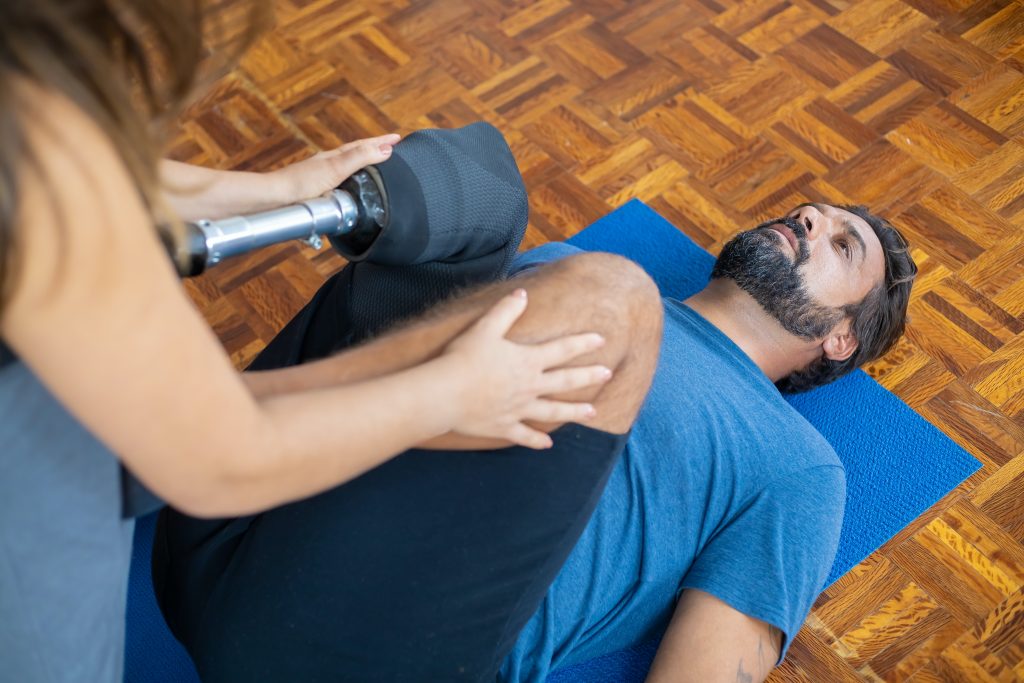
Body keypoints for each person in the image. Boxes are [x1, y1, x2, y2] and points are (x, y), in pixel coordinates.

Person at [0, 3, 625, 681]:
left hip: (110, 459)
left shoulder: (34, 132)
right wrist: (456, 392)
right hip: (58, 537)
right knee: (613, 297)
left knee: (476, 188)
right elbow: (221, 459)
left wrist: (272, 191)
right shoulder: (38, 179)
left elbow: (76, 159)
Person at [154, 198, 917, 682]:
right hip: (242, 535)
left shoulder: (800, 466)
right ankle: (229, 432)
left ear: (842, 338)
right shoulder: (564, 270)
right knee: (468, 187)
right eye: (812, 212)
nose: (812, 222)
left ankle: (214, 419)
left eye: (843, 245)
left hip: (376, 637)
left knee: (614, 295)